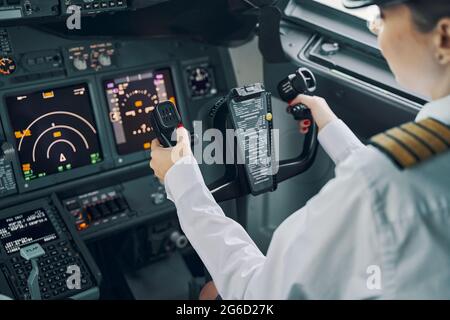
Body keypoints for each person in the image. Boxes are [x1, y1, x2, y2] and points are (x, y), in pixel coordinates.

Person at [150, 0, 450, 299]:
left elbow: (258, 294)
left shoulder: (377, 183)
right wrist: (331, 127)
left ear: (444, 37)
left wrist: (182, 180)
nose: (376, 29)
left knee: (210, 294)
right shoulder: (404, 173)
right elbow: (397, 181)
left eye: (382, 18)